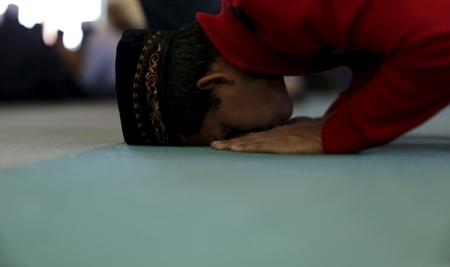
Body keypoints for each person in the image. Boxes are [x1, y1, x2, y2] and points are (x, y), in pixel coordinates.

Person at [116, 0, 450, 154]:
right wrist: (334, 118)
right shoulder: (264, 27)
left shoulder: (272, 6)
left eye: (228, 132)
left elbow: (440, 40)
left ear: (215, 82)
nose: (249, 139)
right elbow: (381, 48)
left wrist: (338, 132)